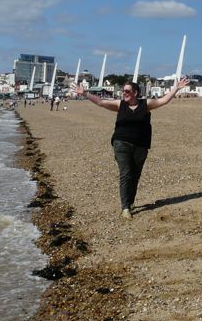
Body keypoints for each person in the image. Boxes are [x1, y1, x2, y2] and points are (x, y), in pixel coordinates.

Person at [75, 77, 190, 219]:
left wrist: (176, 88)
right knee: (126, 173)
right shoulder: (120, 105)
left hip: (141, 146)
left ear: (135, 92)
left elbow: (163, 100)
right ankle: (125, 208)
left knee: (135, 176)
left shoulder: (145, 104)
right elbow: (100, 102)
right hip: (121, 143)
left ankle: (130, 202)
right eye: (123, 91)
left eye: (127, 91)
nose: (124, 93)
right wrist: (84, 93)